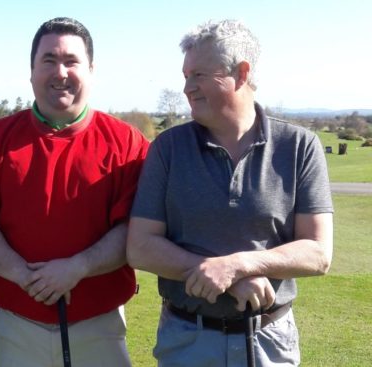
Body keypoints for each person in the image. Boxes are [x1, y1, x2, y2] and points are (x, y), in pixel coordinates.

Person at [127, 19, 334, 366]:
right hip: (186, 341)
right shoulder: (168, 148)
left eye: (199, 75)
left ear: (241, 73)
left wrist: (240, 265)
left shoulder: (300, 146)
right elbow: (140, 247)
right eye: (185, 76)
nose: (187, 88)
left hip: (270, 341)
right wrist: (221, 276)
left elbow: (317, 253)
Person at [0, 17, 148, 367]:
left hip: (100, 327)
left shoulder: (128, 142)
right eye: (49, 61)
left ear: (90, 70)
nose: (60, 72)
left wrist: (78, 267)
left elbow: (135, 230)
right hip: (17, 326)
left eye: (71, 61)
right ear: (31, 71)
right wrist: (25, 275)